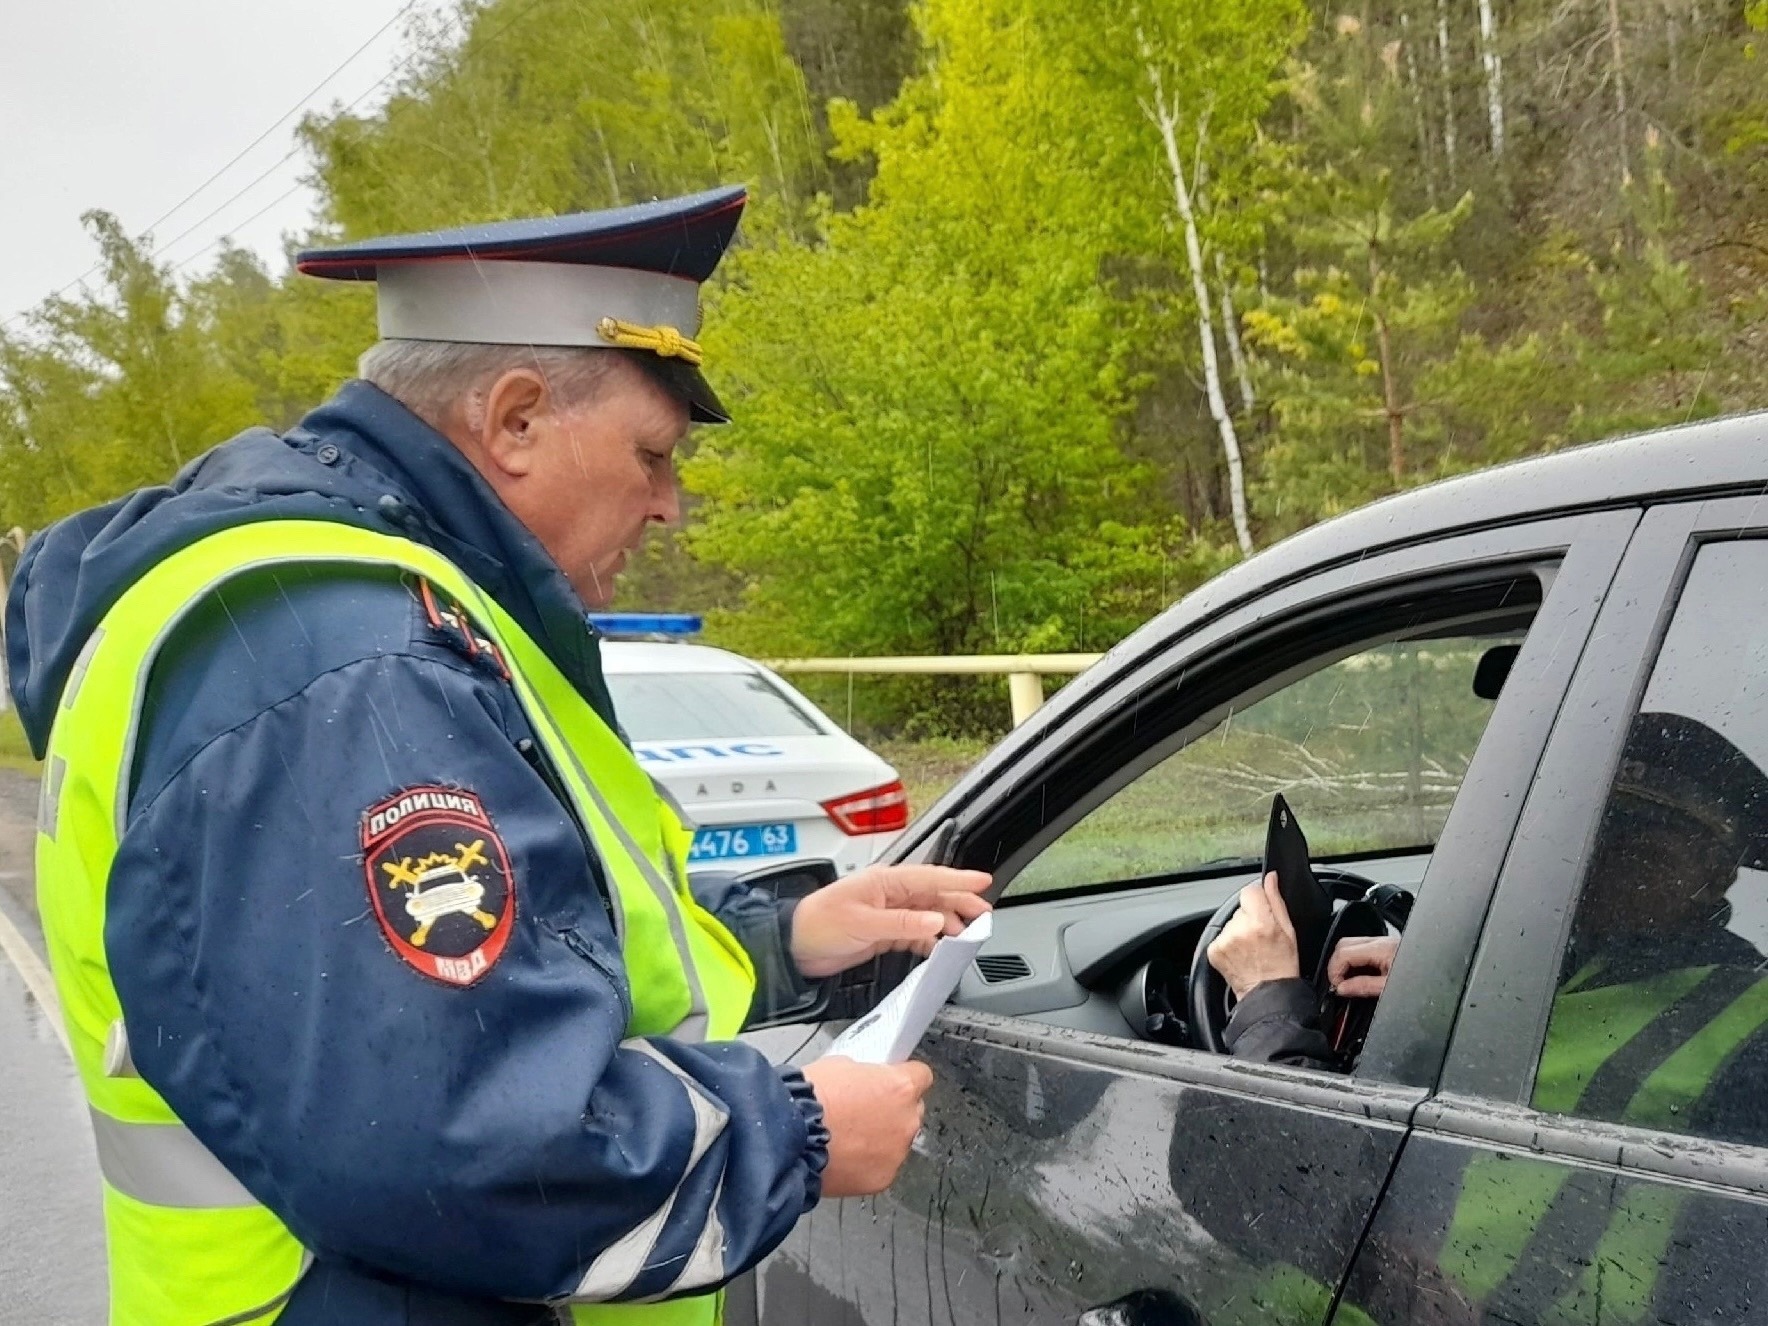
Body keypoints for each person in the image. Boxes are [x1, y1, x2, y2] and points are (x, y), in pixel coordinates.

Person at [9, 186, 991, 1325]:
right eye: (652, 454)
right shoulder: (345, 663)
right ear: (515, 420)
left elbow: (471, 971)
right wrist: (798, 1132)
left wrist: (786, 943)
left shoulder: (346, 614)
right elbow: (456, 1139)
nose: (670, 507)